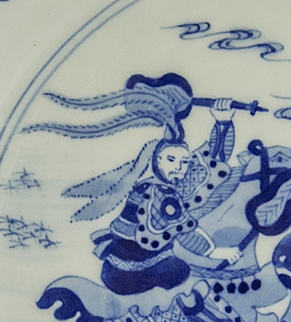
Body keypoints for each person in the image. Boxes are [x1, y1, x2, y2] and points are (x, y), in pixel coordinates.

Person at [92, 98, 241, 300]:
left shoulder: (169, 183)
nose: (179, 168)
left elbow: (212, 163)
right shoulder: (157, 192)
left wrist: (223, 121)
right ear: (158, 160)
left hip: (142, 263)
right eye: (171, 160)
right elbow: (185, 232)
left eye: (185, 162)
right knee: (182, 273)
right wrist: (216, 252)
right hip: (128, 274)